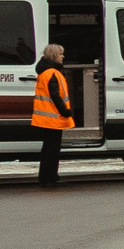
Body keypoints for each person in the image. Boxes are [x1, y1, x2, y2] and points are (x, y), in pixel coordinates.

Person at [30, 42, 76, 187]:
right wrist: (65, 111)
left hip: (46, 117)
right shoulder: (52, 73)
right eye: (61, 54)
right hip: (53, 117)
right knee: (52, 150)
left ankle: (46, 176)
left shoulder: (44, 72)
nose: (63, 56)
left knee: (48, 149)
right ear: (54, 55)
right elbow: (55, 95)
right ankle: (50, 178)